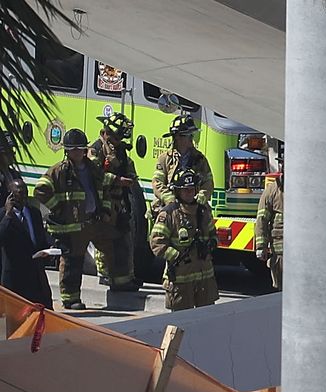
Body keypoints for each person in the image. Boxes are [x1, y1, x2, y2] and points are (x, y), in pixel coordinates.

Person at [32, 128, 114, 311]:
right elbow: (40, 190)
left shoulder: (93, 169)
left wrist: (106, 210)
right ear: (67, 151)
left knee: (111, 246)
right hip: (69, 227)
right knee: (71, 262)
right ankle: (70, 299)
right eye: (73, 149)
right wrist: (58, 207)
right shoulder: (60, 170)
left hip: (91, 222)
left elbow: (105, 190)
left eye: (80, 149)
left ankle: (118, 281)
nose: (77, 152)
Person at [89, 109, 143, 296]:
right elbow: (93, 176)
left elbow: (129, 170)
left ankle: (125, 278)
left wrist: (130, 178)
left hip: (120, 202)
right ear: (106, 133)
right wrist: (116, 180)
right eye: (116, 138)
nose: (118, 142)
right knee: (107, 241)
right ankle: (107, 275)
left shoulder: (120, 150)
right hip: (103, 203)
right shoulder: (95, 149)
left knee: (124, 239)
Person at [149, 171, 218, 311]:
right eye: (185, 190)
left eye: (192, 189)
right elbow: (157, 243)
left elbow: (213, 234)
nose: (189, 193)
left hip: (205, 278)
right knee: (181, 323)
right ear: (178, 191)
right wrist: (176, 256)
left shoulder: (203, 211)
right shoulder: (169, 214)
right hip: (180, 280)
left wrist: (211, 244)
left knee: (207, 321)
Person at [1, 177, 56, 307]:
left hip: (36, 276)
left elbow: (40, 240)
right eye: (20, 193)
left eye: (26, 192)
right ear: (11, 195)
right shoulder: (3, 215)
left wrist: (49, 250)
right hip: (15, 277)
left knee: (42, 314)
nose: (24, 196)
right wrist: (8, 214)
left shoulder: (34, 213)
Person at [152, 115, 212, 215]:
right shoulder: (165, 159)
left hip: (193, 207)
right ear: (177, 137)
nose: (191, 138)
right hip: (170, 206)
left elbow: (208, 182)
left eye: (191, 135)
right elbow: (157, 182)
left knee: (205, 221)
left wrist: (201, 196)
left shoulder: (200, 159)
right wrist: (169, 199)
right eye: (187, 135)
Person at [254, 149, 284, 290]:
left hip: (300, 251)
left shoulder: (304, 190)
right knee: (280, 290)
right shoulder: (272, 190)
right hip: (279, 251)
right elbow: (262, 220)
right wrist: (261, 246)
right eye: (283, 165)